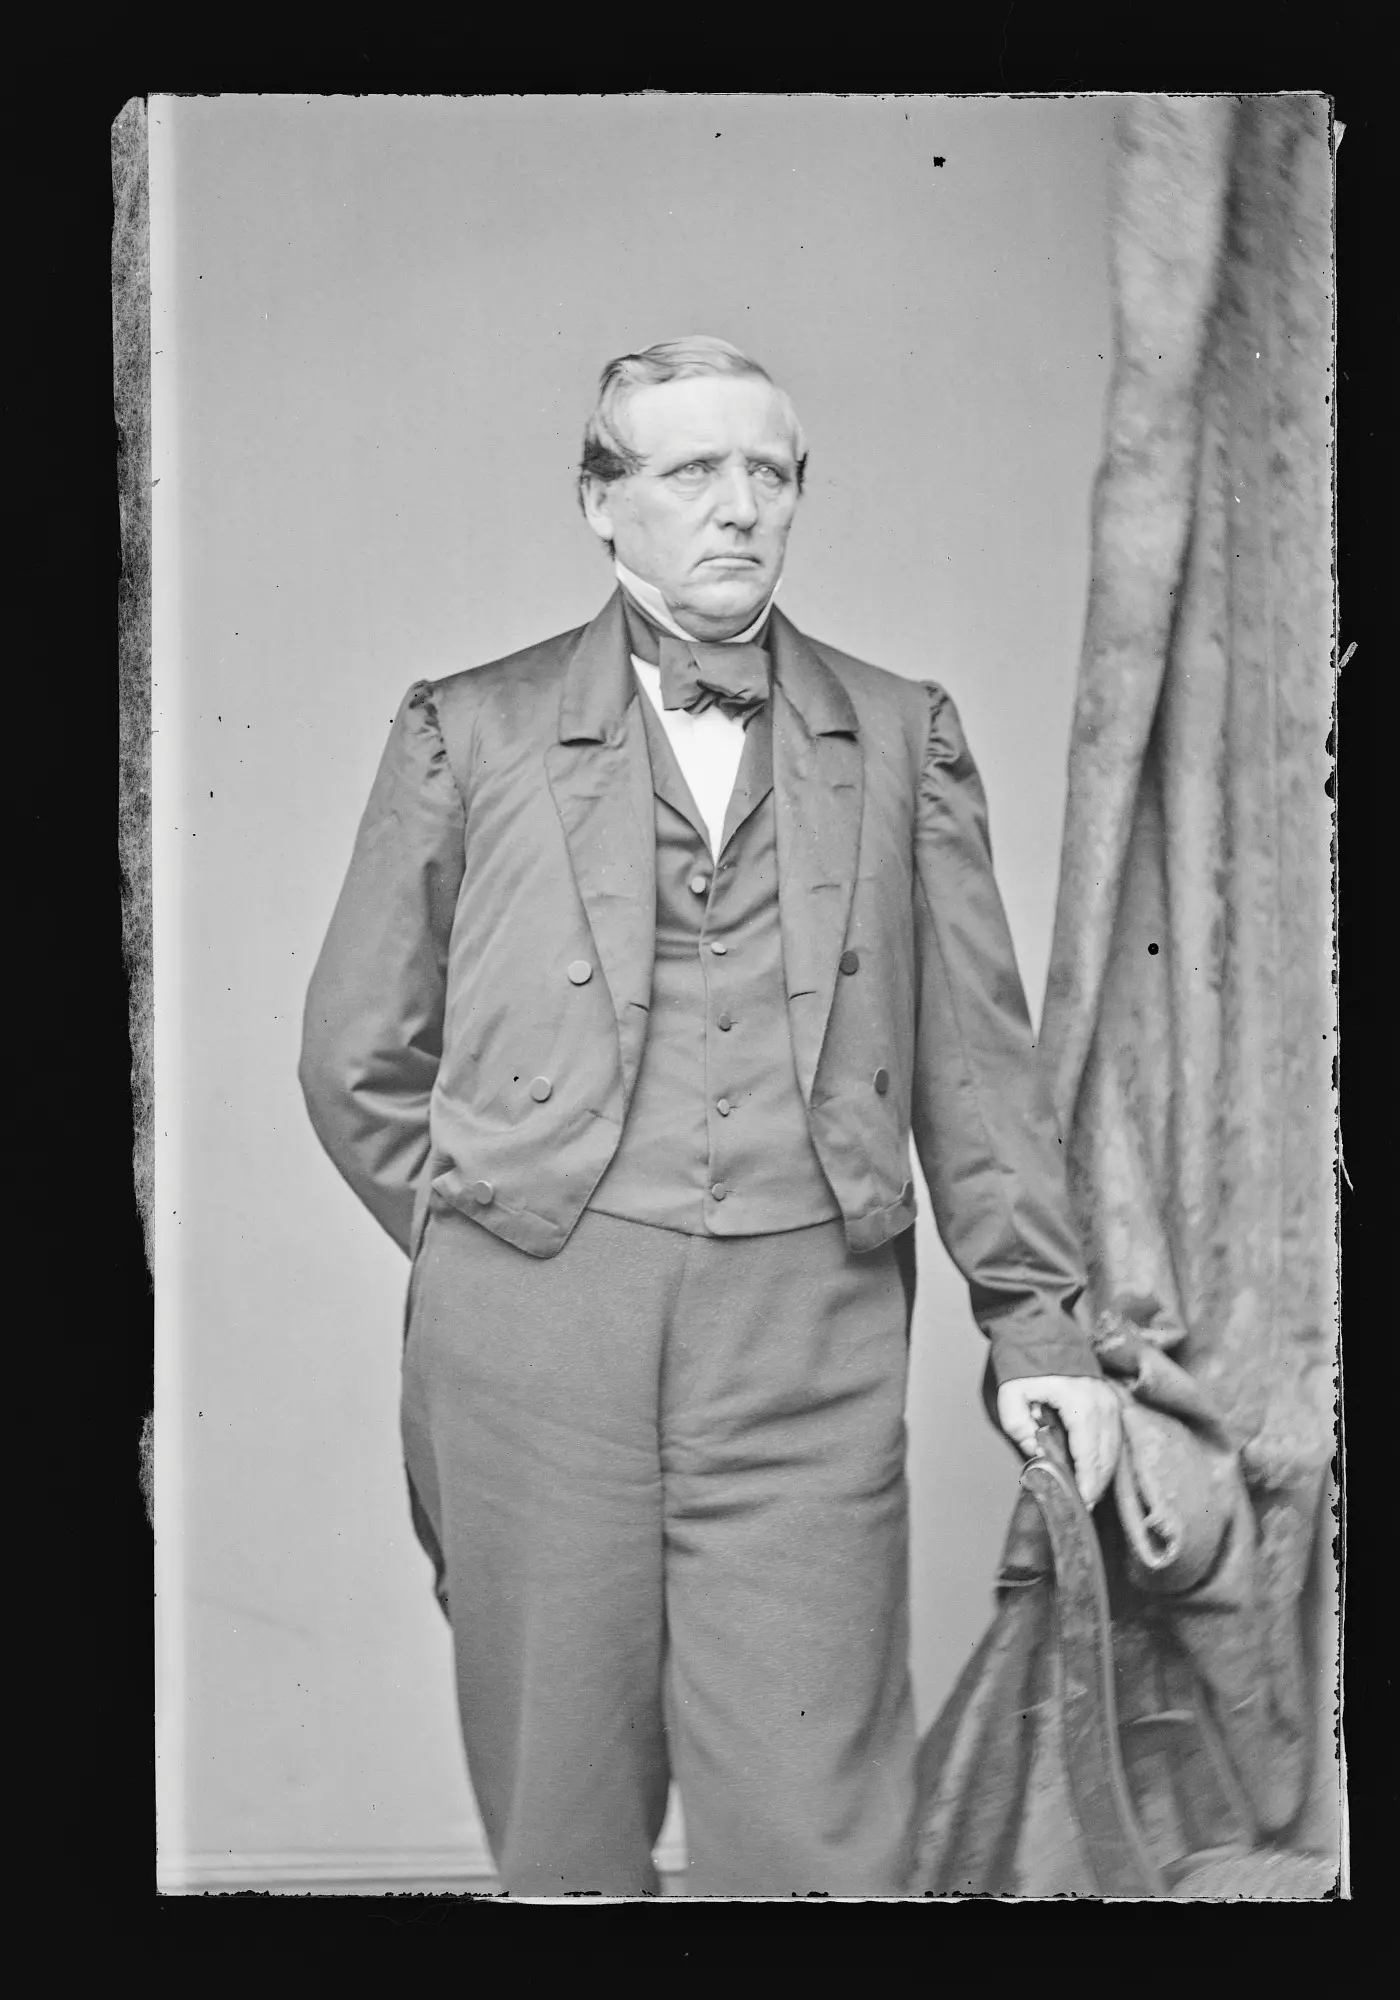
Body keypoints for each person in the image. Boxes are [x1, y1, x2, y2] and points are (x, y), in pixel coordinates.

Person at [299, 335, 1119, 1898]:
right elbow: (355, 1059)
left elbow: (975, 1068)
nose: (738, 505)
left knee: (819, 1834)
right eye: (690, 470)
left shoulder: (902, 732)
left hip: (808, 1328)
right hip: (533, 1337)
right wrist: (504, 1233)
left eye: (768, 471)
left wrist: (1040, 1327)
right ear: (598, 502)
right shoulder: (465, 728)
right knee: (562, 1816)